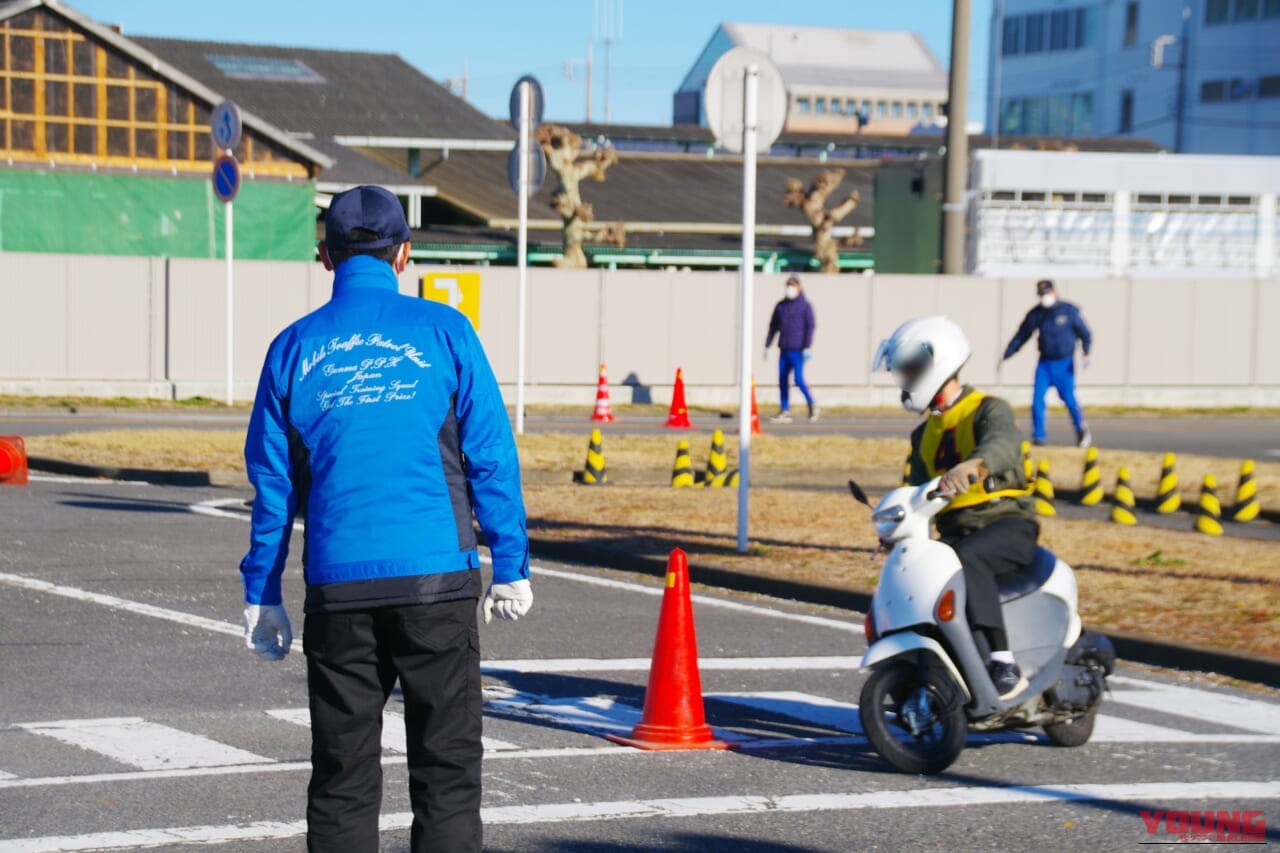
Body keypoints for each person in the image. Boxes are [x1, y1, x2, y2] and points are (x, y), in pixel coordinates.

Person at [239, 185, 532, 853]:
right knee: (447, 772)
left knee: (342, 779)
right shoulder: (447, 331)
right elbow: (490, 455)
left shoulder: (291, 348)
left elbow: (272, 485)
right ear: (405, 253)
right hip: (437, 580)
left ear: (326, 256)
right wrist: (510, 562)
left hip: (338, 588)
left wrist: (262, 591)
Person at [874, 315, 1037, 698]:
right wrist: (894, 528)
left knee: (968, 559)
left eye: (912, 369)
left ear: (940, 363)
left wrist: (974, 465)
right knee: (920, 567)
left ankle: (1002, 661)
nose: (907, 379)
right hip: (956, 531)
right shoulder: (923, 434)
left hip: (1006, 522)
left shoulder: (988, 409)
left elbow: (1002, 444)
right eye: (904, 371)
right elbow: (912, 488)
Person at [1002, 279, 1093, 448]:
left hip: (1064, 363)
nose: (1045, 297)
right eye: (1041, 294)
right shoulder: (1037, 313)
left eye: (1047, 293)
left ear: (1054, 292)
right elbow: (1022, 334)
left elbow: (1085, 334)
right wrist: (1009, 352)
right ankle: (1039, 436)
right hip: (1045, 363)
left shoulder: (1069, 311)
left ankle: (1081, 430)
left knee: (1070, 400)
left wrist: (1086, 352)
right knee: (1037, 400)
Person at [764, 274, 817, 422]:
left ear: (799, 287)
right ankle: (784, 409)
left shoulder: (805, 306)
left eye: (792, 286)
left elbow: (810, 327)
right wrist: (768, 344)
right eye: (788, 285)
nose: (790, 289)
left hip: (798, 350)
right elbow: (773, 326)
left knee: (798, 379)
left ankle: (812, 404)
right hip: (784, 349)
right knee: (782, 380)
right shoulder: (781, 306)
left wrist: (807, 346)